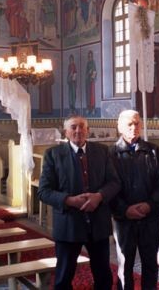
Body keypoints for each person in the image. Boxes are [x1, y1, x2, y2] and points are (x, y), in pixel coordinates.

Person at [38, 115, 120, 290]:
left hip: (98, 223)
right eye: (73, 127)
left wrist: (99, 196)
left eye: (82, 126)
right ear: (66, 132)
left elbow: (114, 182)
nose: (78, 130)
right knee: (63, 277)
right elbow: (44, 191)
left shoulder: (102, 151)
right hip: (69, 224)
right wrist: (69, 200)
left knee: (103, 276)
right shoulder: (53, 154)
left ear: (88, 130)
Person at [110, 110, 159, 290]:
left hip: (149, 217)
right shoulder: (111, 154)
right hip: (124, 219)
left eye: (137, 123)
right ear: (120, 127)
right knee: (125, 263)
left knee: (150, 263)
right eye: (129, 124)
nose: (133, 127)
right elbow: (107, 186)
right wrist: (124, 209)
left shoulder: (153, 151)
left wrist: (150, 205)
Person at [85, 50, 97, 115]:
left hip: (92, 82)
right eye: (89, 56)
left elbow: (95, 71)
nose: (90, 58)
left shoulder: (93, 63)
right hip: (88, 82)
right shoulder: (87, 63)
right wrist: (88, 73)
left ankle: (93, 108)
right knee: (88, 95)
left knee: (92, 95)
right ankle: (88, 108)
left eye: (91, 56)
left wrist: (92, 76)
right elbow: (86, 73)